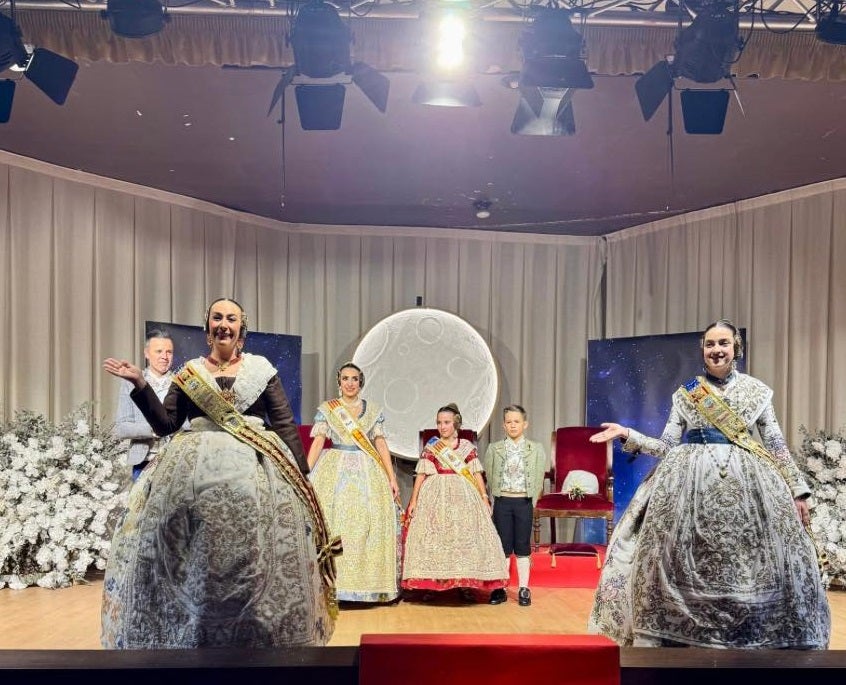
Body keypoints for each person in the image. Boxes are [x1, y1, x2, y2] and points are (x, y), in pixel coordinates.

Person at [101, 297, 338, 648]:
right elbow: (166, 425)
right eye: (217, 317)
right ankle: (188, 630)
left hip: (257, 469)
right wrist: (140, 383)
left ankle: (260, 632)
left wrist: (302, 475)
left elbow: (285, 425)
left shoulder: (261, 371)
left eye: (231, 318)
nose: (224, 323)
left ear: (242, 327)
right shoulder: (189, 374)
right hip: (192, 468)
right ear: (207, 327)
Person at [587, 319, 830, 649]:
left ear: (736, 348)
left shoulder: (756, 391)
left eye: (724, 343)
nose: (717, 350)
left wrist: (797, 491)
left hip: (749, 483)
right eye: (710, 344)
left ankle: (760, 634)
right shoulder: (687, 393)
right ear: (702, 350)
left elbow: (773, 441)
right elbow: (666, 445)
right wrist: (629, 434)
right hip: (687, 483)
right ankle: (676, 635)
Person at [306, 362, 403, 604]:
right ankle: (333, 587)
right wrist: (305, 473)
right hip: (333, 468)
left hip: (368, 471)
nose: (350, 383)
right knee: (334, 522)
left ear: (361, 382)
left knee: (365, 524)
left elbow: (380, 444)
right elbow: (318, 442)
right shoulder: (329, 409)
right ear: (339, 382)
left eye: (355, 379)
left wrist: (391, 477)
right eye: (346, 378)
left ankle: (366, 587)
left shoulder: (372, 411)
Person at [402, 403, 508, 603]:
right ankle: (432, 583)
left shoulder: (467, 447)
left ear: (456, 423)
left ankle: (465, 584)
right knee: (433, 537)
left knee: (466, 537)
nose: (442, 427)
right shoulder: (432, 446)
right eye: (439, 423)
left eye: (447, 422)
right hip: (434, 494)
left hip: (464, 496)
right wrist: (414, 500)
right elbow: (422, 473)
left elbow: (476, 473)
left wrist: (484, 497)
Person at [483, 404, 547, 607]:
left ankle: (524, 588)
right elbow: (490, 475)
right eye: (508, 422)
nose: (512, 425)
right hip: (502, 501)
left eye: (516, 421)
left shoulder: (535, 449)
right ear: (503, 425)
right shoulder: (494, 448)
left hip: (523, 502)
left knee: (522, 545)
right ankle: (500, 587)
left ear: (525, 424)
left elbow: (538, 476)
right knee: (502, 546)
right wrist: (496, 498)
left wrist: (531, 500)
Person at [112, 329, 184, 481]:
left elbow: (189, 424)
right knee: (140, 505)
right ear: (146, 353)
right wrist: (155, 429)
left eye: (169, 352)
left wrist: (171, 427)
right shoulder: (130, 382)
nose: (164, 357)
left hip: (177, 462)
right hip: (142, 464)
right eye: (159, 351)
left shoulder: (182, 383)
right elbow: (121, 428)